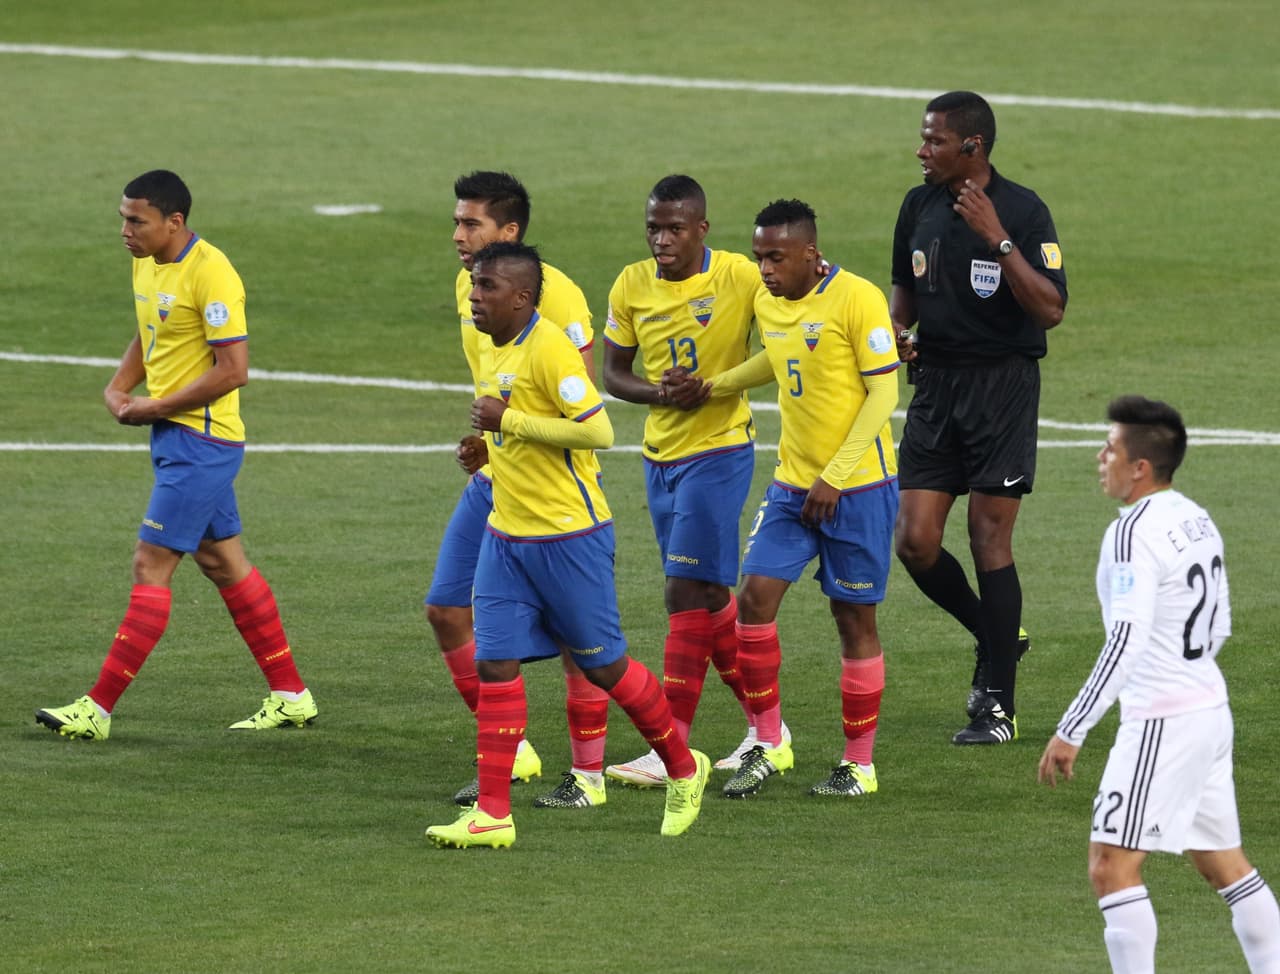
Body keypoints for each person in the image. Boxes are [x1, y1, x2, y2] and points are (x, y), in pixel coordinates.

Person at [424, 242, 710, 848]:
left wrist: (507, 423)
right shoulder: (489, 343)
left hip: (569, 537)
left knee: (604, 667)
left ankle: (684, 769)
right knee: (495, 664)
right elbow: (512, 426)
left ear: (522, 298)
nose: (474, 296)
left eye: (488, 287)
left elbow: (598, 431)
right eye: (474, 285)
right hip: (507, 534)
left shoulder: (548, 347)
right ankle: (493, 814)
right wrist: (487, 449)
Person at [35, 169, 316, 740]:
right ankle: (292, 696)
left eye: (136, 221)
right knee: (222, 562)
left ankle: (96, 709)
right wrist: (119, 386)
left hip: (201, 443)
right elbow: (152, 330)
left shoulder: (212, 274)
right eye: (123, 218)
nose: (125, 230)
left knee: (151, 564)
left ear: (174, 221)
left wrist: (154, 406)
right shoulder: (147, 259)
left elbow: (233, 371)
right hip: (176, 436)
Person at [1038, 395, 1280, 973]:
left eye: (1110, 449)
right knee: (1225, 867)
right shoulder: (1197, 518)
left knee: (1111, 867)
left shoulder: (1133, 533)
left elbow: (1126, 639)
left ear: (1139, 467)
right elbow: (1220, 623)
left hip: (1163, 721)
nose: (1100, 458)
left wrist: (1072, 729)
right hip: (1208, 710)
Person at [695, 199, 899, 799]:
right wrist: (715, 385)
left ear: (810, 253)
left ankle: (859, 765)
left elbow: (884, 395)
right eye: (759, 257)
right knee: (754, 600)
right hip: (793, 485)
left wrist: (834, 477)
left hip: (858, 488)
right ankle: (768, 741)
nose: (765, 269)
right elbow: (780, 357)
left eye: (776, 257)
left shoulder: (858, 298)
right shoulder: (770, 302)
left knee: (853, 619)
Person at [427, 171, 613, 810]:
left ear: (508, 230)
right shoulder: (470, 285)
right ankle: (511, 751)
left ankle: (588, 775)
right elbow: (498, 380)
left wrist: (510, 429)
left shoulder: (556, 297)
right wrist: (487, 442)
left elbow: (581, 410)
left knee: (574, 638)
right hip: (495, 476)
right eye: (456, 222)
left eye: (471, 223)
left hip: (552, 491)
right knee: (446, 609)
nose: (458, 235)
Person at [890, 89, 1067, 745]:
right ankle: (996, 638)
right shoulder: (918, 206)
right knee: (914, 541)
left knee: (989, 537)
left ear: (973, 146)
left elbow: (1050, 308)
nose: (921, 150)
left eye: (934, 140)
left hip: (1001, 390)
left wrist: (999, 239)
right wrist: (896, 332)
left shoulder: (1023, 210)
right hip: (935, 387)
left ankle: (999, 706)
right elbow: (903, 292)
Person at [601, 174, 785, 788]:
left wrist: (717, 386)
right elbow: (613, 373)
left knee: (681, 590)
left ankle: (670, 747)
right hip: (660, 456)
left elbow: (780, 343)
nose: (662, 240)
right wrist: (660, 394)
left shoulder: (737, 276)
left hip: (720, 451)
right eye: (653, 228)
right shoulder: (631, 284)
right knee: (707, 597)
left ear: (701, 229)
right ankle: (767, 727)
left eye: (675, 228)